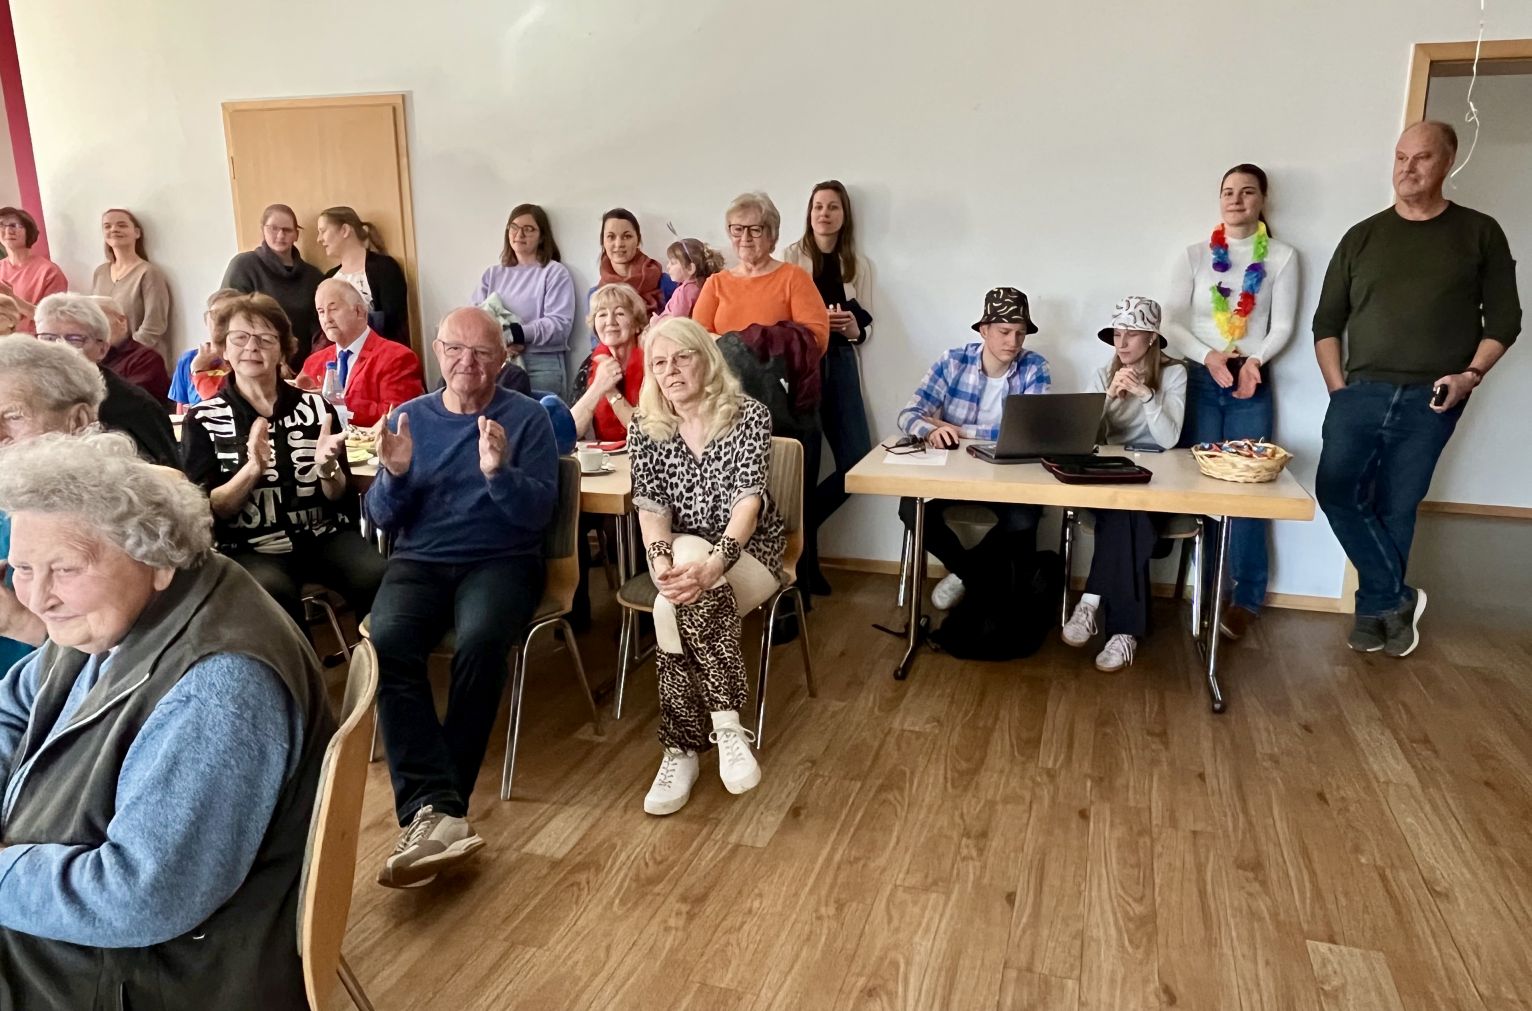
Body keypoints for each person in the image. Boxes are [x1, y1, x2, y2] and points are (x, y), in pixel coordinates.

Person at [0, 431, 335, 1010]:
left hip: (137, 976)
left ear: (156, 558)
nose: (37, 597)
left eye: (65, 569)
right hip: (71, 936)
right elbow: (13, 707)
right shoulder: (107, 617)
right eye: (22, 568)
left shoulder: (220, 685)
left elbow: (140, 899)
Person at [365, 307, 557, 888]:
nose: (466, 362)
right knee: (387, 643)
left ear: (502, 359)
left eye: (481, 352)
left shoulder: (527, 418)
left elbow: (538, 516)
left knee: (481, 642)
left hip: (502, 560)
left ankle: (438, 811)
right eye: (454, 349)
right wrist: (394, 476)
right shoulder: (410, 418)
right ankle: (440, 811)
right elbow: (380, 517)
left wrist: (499, 474)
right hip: (419, 562)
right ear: (437, 351)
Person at [1314, 120, 1521, 657]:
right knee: (1337, 491)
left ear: (1446, 162)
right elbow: (1326, 323)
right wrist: (1339, 391)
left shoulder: (1479, 232)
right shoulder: (1362, 236)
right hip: (1359, 391)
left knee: (1397, 503)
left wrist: (1469, 376)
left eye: (1422, 158)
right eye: (1401, 157)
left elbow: (1505, 319)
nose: (1407, 168)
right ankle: (1394, 597)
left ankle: (1373, 614)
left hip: (1433, 396)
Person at [629, 317, 785, 815]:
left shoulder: (748, 415)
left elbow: (747, 505)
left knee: (667, 608)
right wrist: (660, 564)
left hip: (751, 550)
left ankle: (682, 749)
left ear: (707, 359)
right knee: (680, 577)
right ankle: (726, 728)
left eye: (682, 357)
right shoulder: (645, 426)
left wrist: (716, 563)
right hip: (680, 551)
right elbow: (651, 509)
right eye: (659, 363)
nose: (671, 370)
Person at [181, 292, 385, 629]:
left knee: (377, 574)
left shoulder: (317, 408)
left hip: (322, 536)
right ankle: (300, 665)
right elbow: (208, 508)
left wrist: (328, 469)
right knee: (271, 592)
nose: (252, 347)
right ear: (223, 348)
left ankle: (376, 660)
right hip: (250, 547)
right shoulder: (204, 418)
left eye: (265, 339)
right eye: (240, 338)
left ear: (282, 349)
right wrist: (252, 470)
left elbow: (341, 497)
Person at [1161, 163, 1299, 640]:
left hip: (1250, 380)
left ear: (1262, 200)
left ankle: (1247, 599)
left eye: (1247, 192)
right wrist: (1209, 356)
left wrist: (1254, 360)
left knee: (1250, 491)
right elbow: (1171, 322)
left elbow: (1283, 325)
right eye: (1228, 192)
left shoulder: (1282, 256)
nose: (1236, 200)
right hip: (1200, 378)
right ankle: (1205, 589)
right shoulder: (1195, 255)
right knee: (1200, 487)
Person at [896, 286, 1052, 609]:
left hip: (1008, 478)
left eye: (1020, 333)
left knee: (1025, 519)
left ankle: (962, 576)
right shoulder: (953, 361)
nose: (1013, 342)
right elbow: (908, 414)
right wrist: (932, 429)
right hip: (954, 475)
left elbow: (1029, 433)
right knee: (910, 508)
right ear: (984, 330)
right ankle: (971, 574)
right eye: (1004, 332)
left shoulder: (1035, 367)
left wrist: (958, 430)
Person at [1061, 297, 1188, 671]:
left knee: (1131, 518)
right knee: (1130, 518)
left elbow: (1168, 439)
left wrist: (1147, 396)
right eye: (1117, 334)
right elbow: (1083, 438)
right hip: (1109, 477)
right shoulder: (1103, 374)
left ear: (1152, 339)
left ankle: (1090, 601)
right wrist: (1107, 400)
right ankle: (1124, 633)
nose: (1122, 343)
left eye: (1131, 335)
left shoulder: (1174, 374)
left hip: (1157, 480)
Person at [783, 180, 875, 595]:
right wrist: (816, 321)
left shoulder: (858, 264)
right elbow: (780, 316)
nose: (824, 213)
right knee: (804, 466)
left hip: (840, 361)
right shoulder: (790, 257)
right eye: (818, 206)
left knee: (857, 460)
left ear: (844, 215)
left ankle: (801, 527)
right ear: (809, 213)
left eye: (833, 207)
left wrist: (853, 328)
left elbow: (866, 326)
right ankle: (806, 569)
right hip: (802, 365)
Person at [0, 335, 106, 674]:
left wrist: (19, 622)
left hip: (56, 703)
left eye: (13, 416)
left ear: (78, 421)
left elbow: (138, 663)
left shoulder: (123, 516)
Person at [34, 293, 178, 466]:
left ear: (102, 349)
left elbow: (168, 473)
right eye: (48, 338)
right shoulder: (25, 393)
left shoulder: (133, 406)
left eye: (75, 339)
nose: (60, 348)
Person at [692, 191, 831, 352]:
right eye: (738, 229)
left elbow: (816, 337)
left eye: (755, 229)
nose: (745, 237)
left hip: (779, 368)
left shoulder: (794, 277)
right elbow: (696, 337)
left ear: (771, 235)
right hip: (723, 368)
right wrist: (735, 347)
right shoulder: (715, 283)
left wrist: (763, 348)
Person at [471, 203, 577, 398]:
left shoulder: (554, 272)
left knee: (543, 417)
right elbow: (475, 320)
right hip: (499, 363)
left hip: (541, 365)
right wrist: (501, 343)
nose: (519, 234)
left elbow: (559, 325)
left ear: (542, 236)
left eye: (528, 229)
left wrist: (515, 334)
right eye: (514, 227)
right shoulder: (492, 274)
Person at [298, 278, 425, 428]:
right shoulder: (313, 362)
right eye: (321, 311)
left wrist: (337, 403)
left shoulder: (397, 357)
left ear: (359, 312)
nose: (326, 319)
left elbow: (397, 417)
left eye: (333, 309)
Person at [221, 202, 327, 364]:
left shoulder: (313, 276)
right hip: (254, 362)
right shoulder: (243, 266)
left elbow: (320, 329)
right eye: (273, 228)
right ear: (262, 230)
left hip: (304, 365)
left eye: (287, 230)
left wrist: (314, 364)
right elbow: (225, 316)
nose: (280, 235)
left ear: (296, 235)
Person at [317, 205, 410, 348]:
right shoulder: (329, 278)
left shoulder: (384, 268)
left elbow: (394, 322)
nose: (319, 239)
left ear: (345, 230)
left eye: (323, 231)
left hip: (381, 352)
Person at [90, 208, 173, 365]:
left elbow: (154, 326)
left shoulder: (149, 273)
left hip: (140, 362)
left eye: (121, 225)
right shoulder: (100, 273)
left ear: (137, 233)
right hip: (105, 362)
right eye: (107, 226)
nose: (114, 229)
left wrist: (125, 356)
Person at [571, 283, 646, 441]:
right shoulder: (589, 365)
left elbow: (646, 433)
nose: (610, 321)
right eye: (602, 314)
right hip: (604, 453)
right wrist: (599, 386)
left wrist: (611, 391)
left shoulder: (653, 363)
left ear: (637, 325)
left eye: (619, 313)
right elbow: (571, 431)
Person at [169, 287, 241, 409]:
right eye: (215, 314)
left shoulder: (244, 360)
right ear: (206, 319)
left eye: (229, 313)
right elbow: (181, 410)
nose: (221, 320)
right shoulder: (188, 359)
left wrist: (199, 372)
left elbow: (223, 410)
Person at [594, 208, 670, 322]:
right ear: (603, 242)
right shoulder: (596, 295)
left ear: (638, 240)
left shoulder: (665, 283)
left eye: (627, 236)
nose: (619, 244)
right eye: (611, 237)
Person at [92, 294, 171, 403]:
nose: (90, 329)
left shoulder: (145, 359)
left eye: (97, 321)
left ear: (121, 321)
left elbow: (128, 403)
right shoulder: (81, 358)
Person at [0, 206, 68, 333]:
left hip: (34, 342)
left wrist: (12, 298)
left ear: (29, 231)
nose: (8, 230)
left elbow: (53, 320)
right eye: (2, 225)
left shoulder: (49, 271)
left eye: (15, 225)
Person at [655, 237, 724, 322]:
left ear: (690, 268)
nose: (668, 266)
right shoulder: (702, 284)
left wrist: (657, 321)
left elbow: (676, 321)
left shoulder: (686, 291)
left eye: (673, 263)